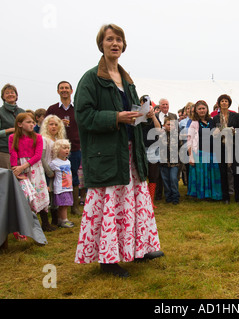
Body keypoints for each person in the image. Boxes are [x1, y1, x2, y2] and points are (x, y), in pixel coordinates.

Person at [74, 24, 163, 278]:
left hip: (131, 152)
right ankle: (108, 260)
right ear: (101, 44)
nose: (115, 43)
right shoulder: (91, 78)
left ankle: (139, 248)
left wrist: (142, 114)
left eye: (119, 40)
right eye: (110, 39)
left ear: (124, 46)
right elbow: (84, 115)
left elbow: (130, 113)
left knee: (134, 202)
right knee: (112, 205)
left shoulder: (127, 80)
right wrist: (116, 117)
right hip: (107, 154)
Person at [9, 113, 51, 236]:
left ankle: (45, 223)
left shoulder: (38, 137)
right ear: (20, 124)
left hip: (34, 168)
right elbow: (13, 153)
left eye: (33, 122)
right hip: (20, 169)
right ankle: (26, 225)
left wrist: (24, 166)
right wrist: (15, 169)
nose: (32, 124)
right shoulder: (13, 137)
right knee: (25, 195)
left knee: (40, 192)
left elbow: (38, 155)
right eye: (28, 122)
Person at [46, 81, 82, 216]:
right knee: (57, 177)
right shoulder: (52, 109)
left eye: (67, 88)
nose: (64, 90)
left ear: (71, 91)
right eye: (61, 88)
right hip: (56, 150)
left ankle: (74, 207)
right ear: (58, 91)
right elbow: (46, 126)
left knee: (74, 177)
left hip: (75, 147)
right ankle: (56, 207)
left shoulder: (77, 108)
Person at [212, 94, 239, 205]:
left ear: (229, 103)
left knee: (237, 173)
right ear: (219, 103)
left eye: (226, 101)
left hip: (234, 146)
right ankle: (225, 197)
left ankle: (238, 198)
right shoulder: (215, 118)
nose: (224, 103)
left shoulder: (235, 116)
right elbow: (212, 133)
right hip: (221, 147)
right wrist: (216, 132)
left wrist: (234, 132)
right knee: (223, 172)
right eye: (222, 101)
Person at [187, 100, 222, 201]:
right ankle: (201, 195)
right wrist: (191, 156)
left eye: (203, 108)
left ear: (207, 109)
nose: (202, 110)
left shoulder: (212, 121)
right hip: (200, 153)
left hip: (211, 153)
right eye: (200, 109)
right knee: (201, 175)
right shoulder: (194, 123)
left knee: (212, 174)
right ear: (196, 111)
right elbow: (189, 140)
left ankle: (212, 195)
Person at [40, 114, 67, 228]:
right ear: (46, 126)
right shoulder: (44, 139)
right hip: (47, 171)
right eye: (51, 124)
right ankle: (45, 223)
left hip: (57, 171)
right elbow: (41, 157)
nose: (54, 127)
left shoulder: (58, 139)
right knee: (46, 195)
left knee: (55, 194)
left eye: (56, 124)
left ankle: (55, 220)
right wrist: (49, 171)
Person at [0, 83, 26, 169]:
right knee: (6, 180)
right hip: (5, 152)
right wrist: (9, 130)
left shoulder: (23, 112)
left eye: (12, 92)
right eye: (7, 93)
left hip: (22, 152)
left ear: (16, 95)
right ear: (3, 96)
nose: (10, 94)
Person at [141, 95, 161, 209]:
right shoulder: (138, 116)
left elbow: (158, 130)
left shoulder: (154, 117)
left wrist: (153, 116)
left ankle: (151, 201)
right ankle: (142, 200)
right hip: (141, 149)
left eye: (148, 104)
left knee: (153, 175)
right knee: (142, 176)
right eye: (143, 103)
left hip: (153, 149)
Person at [154, 98, 177, 201]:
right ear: (159, 106)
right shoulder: (155, 116)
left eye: (167, 104)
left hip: (173, 153)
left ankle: (174, 196)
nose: (165, 106)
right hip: (160, 148)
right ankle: (160, 195)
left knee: (172, 178)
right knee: (161, 177)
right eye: (163, 104)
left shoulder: (173, 116)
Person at [49, 139, 75, 228]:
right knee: (63, 205)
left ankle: (60, 220)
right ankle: (64, 220)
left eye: (68, 148)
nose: (67, 150)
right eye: (64, 148)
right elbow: (50, 173)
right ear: (57, 150)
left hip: (68, 186)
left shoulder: (68, 161)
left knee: (66, 204)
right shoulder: (54, 163)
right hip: (60, 188)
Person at [159, 117, 181, 205]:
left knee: (173, 179)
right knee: (166, 180)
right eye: (168, 124)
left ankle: (175, 197)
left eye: (172, 125)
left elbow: (181, 148)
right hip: (163, 162)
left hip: (174, 163)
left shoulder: (177, 136)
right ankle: (168, 197)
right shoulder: (160, 135)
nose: (170, 126)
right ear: (164, 125)